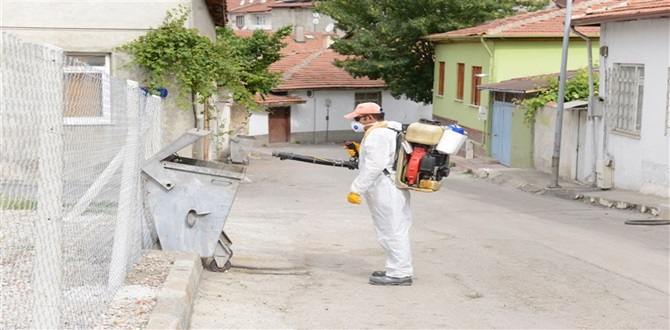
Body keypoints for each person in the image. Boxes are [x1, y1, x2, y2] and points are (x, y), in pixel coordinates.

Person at [344, 102, 413, 286]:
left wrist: (356, 189)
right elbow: (385, 156)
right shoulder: (389, 128)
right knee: (393, 229)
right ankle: (395, 268)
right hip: (391, 185)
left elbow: (375, 165)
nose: (355, 122)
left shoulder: (377, 134)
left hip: (386, 187)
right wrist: (361, 152)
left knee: (391, 230)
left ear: (369, 118)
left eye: (357, 119)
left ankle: (400, 274)